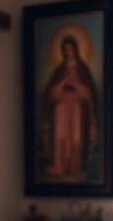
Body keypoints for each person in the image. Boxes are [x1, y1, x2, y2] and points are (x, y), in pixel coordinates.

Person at [42, 37, 98, 181]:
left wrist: (78, 87)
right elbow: (51, 92)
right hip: (61, 107)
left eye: (70, 49)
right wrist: (63, 84)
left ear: (75, 49)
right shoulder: (59, 70)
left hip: (76, 107)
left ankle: (74, 168)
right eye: (65, 49)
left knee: (76, 137)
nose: (68, 52)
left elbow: (88, 92)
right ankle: (59, 166)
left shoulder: (83, 69)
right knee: (60, 136)